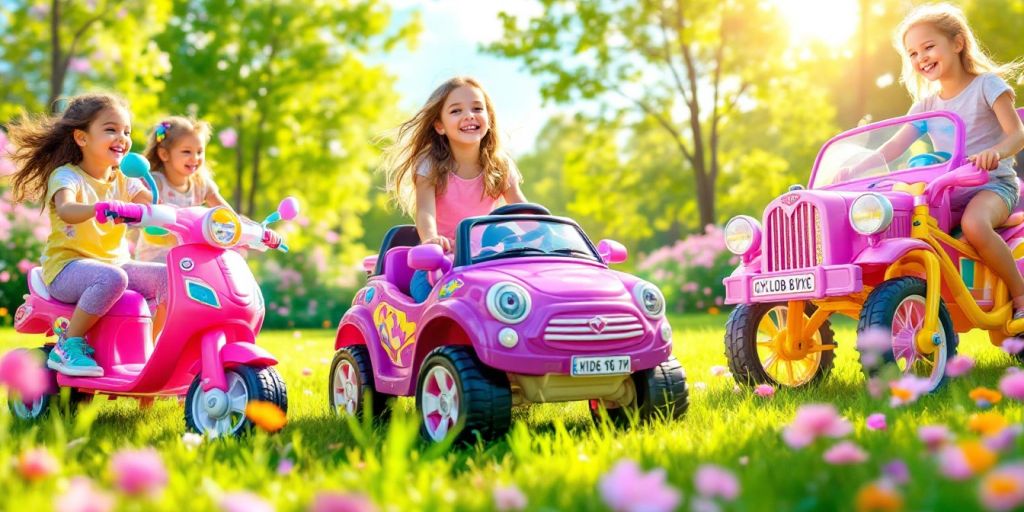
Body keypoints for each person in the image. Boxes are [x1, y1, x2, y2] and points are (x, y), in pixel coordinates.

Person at [872, 4, 1024, 320]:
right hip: (946, 190)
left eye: (929, 47)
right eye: (912, 53)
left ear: (957, 43)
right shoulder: (926, 104)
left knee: (973, 224)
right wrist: (858, 166)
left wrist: (994, 153)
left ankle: (1021, 297)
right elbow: (894, 146)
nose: (921, 58)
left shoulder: (987, 86)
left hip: (993, 185)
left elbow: (1017, 134)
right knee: (904, 224)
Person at [7, 93, 168, 376]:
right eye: (111, 129)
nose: (122, 137)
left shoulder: (123, 179)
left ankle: (150, 349)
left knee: (168, 277)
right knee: (113, 278)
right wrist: (98, 208)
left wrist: (158, 206)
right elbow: (67, 208)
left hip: (114, 263)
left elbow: (149, 205)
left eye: (126, 131)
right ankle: (68, 344)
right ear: (82, 138)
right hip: (67, 268)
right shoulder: (67, 176)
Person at [382, 76, 528, 302]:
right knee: (428, 294)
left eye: (478, 108)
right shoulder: (430, 164)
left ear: (489, 118)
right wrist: (432, 239)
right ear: (439, 126)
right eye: (456, 111)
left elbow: (522, 210)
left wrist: (544, 235)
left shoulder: (500, 164)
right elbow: (425, 212)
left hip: (484, 258)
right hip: (441, 260)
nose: (469, 115)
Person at [135, 116, 230, 262]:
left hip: (188, 259)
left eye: (200, 151)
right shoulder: (155, 183)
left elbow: (226, 213)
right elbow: (136, 203)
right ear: (164, 154)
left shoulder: (201, 185)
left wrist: (243, 227)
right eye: (187, 152)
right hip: (156, 260)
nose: (195, 158)